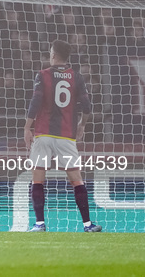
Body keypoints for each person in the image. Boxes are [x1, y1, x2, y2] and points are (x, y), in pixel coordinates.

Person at [24, 40, 102, 233]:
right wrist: (82, 125)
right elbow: (87, 107)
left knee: (38, 179)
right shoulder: (77, 77)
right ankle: (87, 224)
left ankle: (40, 224)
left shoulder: (43, 75)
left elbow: (35, 102)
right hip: (66, 136)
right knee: (76, 179)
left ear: (53, 55)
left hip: (43, 134)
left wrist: (27, 128)